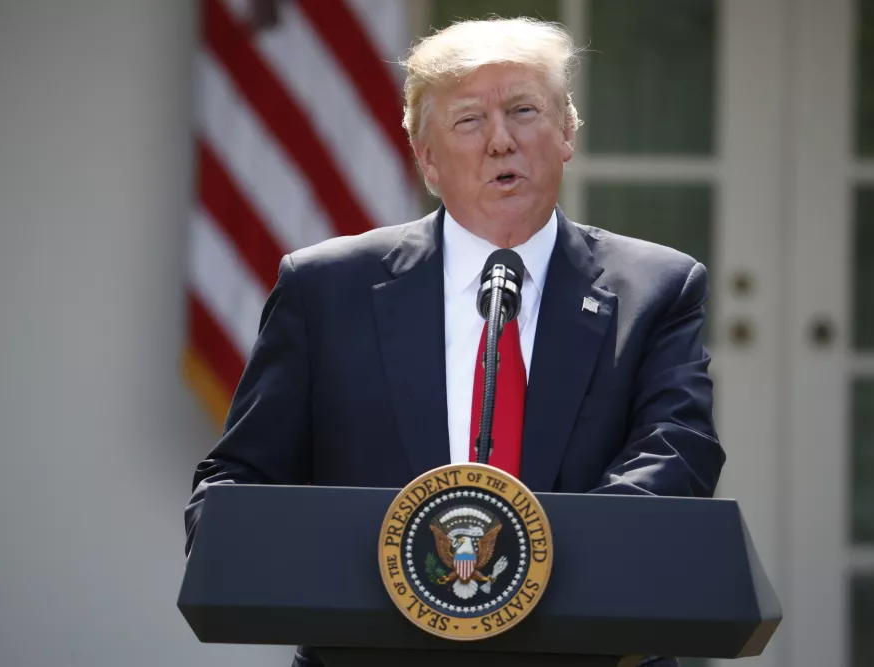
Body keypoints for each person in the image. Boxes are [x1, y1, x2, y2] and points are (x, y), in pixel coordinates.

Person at [186, 17, 724, 667]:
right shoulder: (324, 290)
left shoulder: (657, 288)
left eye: (524, 110)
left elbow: (679, 453)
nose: (501, 141)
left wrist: (538, 565)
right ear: (427, 158)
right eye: (469, 120)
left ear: (567, 132)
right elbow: (238, 480)